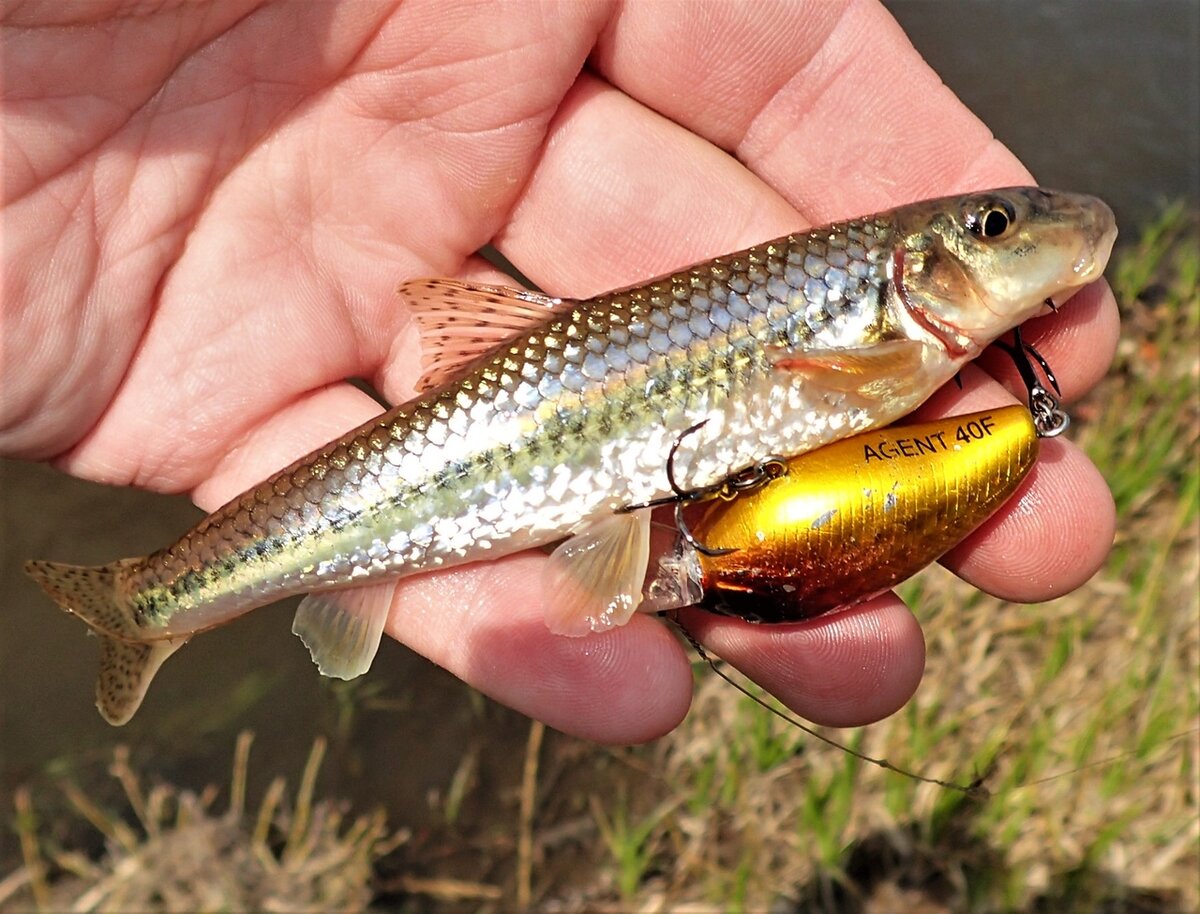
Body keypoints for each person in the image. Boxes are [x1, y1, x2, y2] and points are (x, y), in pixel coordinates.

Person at [1, 1, 1118, 743]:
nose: (1030, 231)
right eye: (994, 224)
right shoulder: (894, 332)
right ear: (924, 263)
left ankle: (157, 599)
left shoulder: (904, 322)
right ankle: (157, 599)